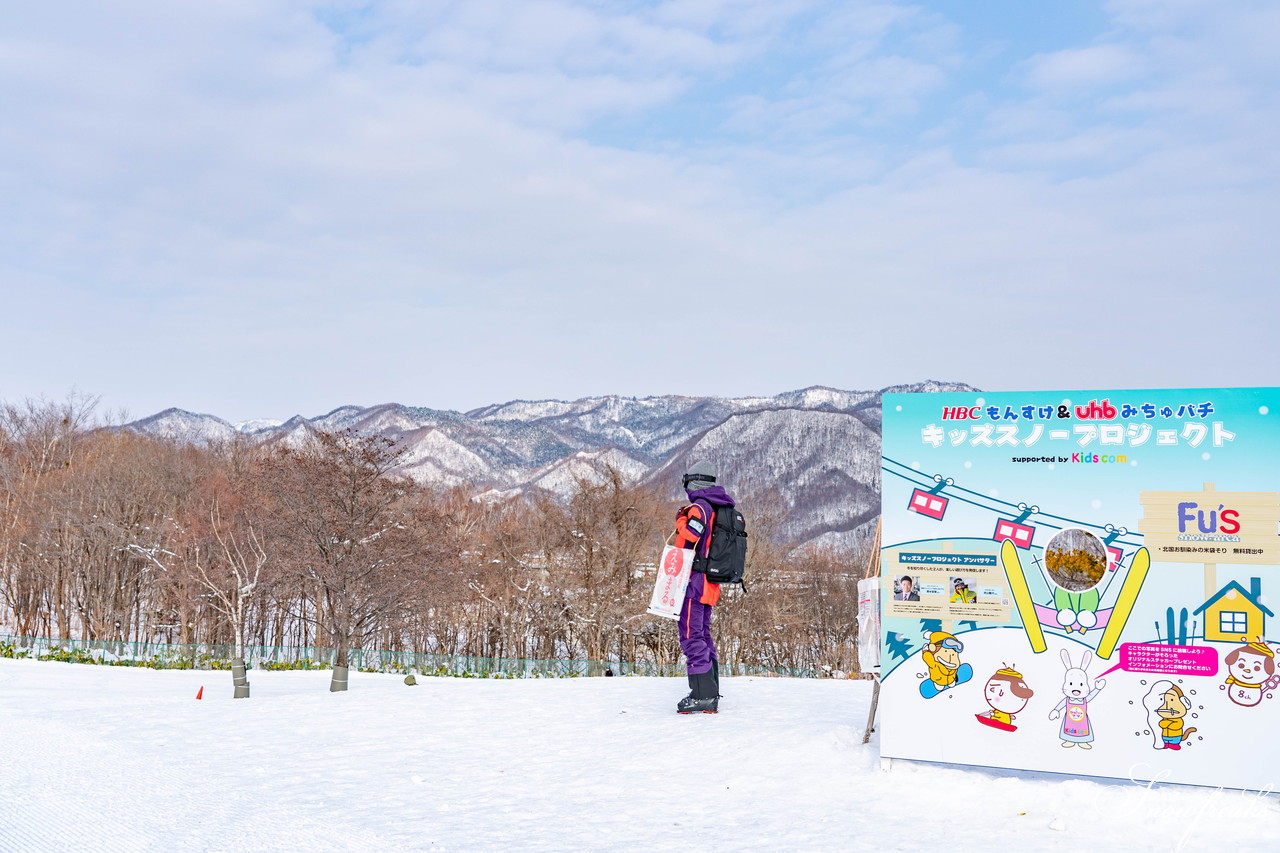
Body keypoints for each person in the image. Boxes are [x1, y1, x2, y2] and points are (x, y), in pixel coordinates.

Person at [672, 460, 736, 714]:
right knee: (702, 633)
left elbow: (690, 536)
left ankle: (703, 696)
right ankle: (709, 689)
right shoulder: (718, 507)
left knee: (691, 636)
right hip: (709, 584)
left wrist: (680, 519)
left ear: (693, 482)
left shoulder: (699, 507)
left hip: (694, 583)